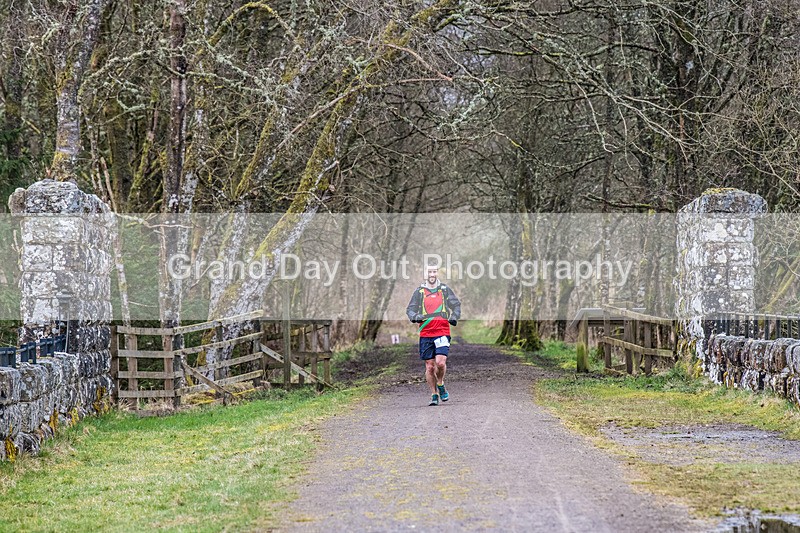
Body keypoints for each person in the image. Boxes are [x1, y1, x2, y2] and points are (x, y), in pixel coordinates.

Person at [406, 266, 461, 406]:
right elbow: (410, 310)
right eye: (429, 272)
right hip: (426, 332)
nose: (432, 274)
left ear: (437, 273)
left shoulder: (444, 289)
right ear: (425, 274)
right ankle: (434, 394)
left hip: (442, 330)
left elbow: (456, 305)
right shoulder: (419, 292)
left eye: (434, 271)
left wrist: (454, 316)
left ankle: (441, 383)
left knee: (440, 363)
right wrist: (415, 316)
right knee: (430, 367)